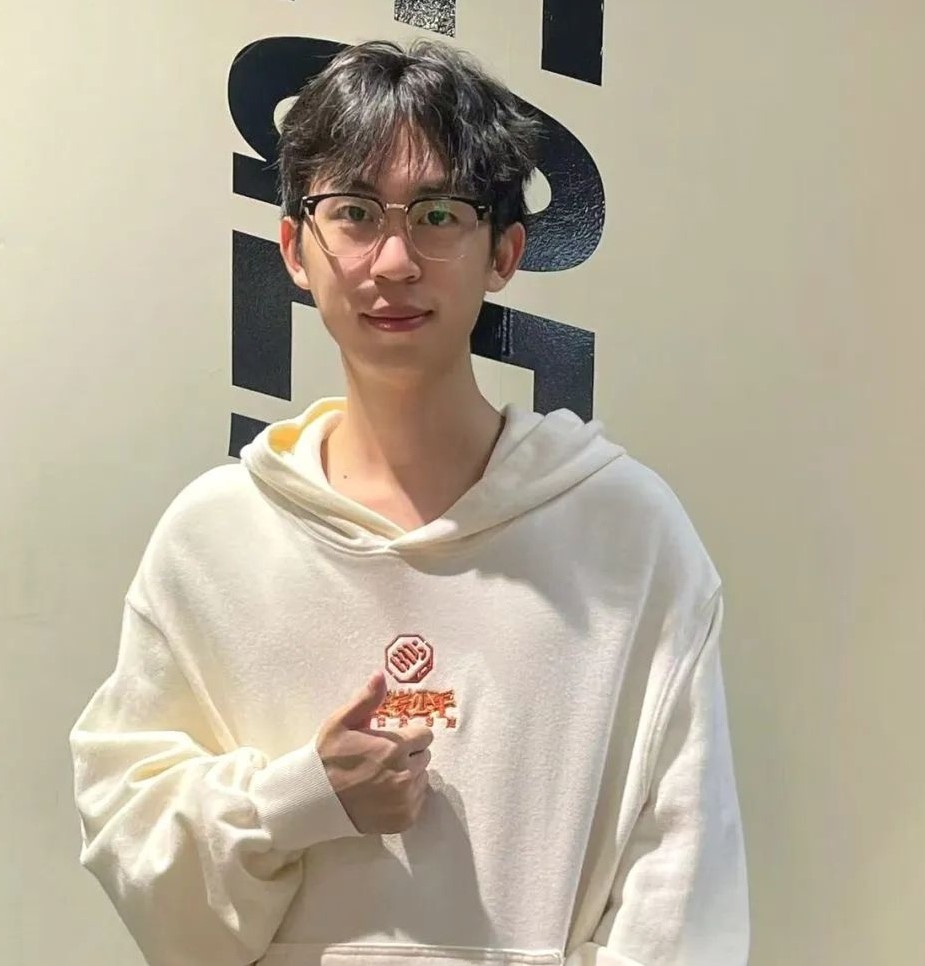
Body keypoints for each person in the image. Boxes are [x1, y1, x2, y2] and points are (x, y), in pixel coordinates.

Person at [70, 39, 749, 966]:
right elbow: (135, 846)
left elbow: (683, 889)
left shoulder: (626, 536)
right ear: (295, 251)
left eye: (437, 215)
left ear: (505, 252)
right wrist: (300, 798)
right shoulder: (213, 539)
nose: (392, 261)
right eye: (352, 213)